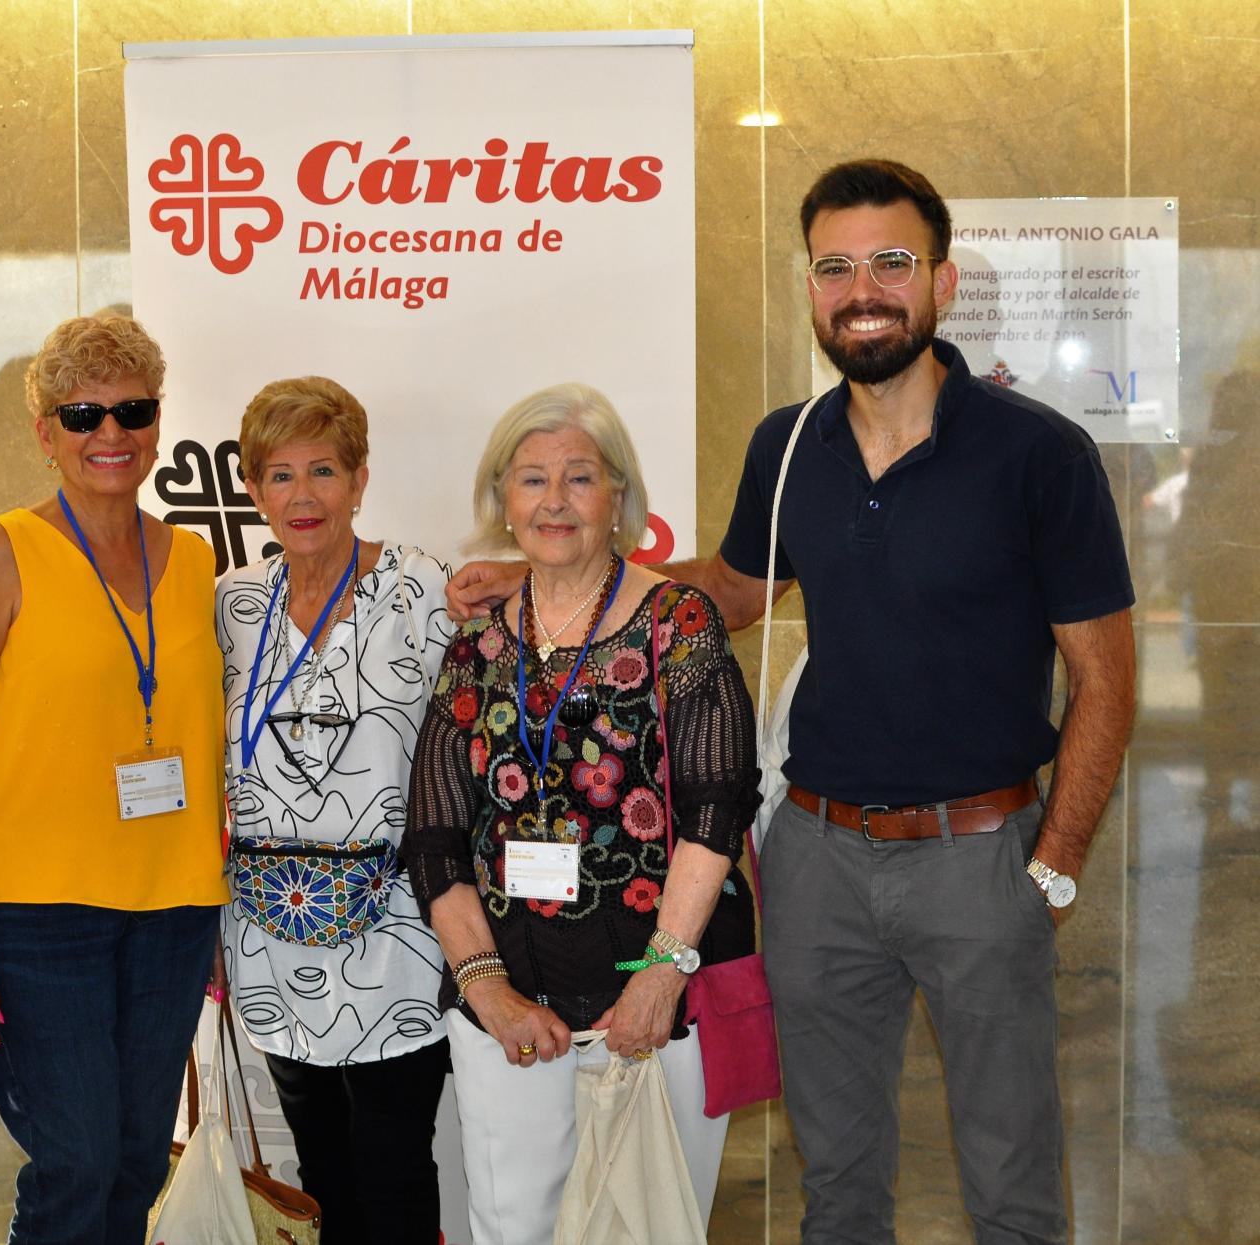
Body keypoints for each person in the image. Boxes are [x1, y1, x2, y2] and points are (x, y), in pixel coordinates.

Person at [446, 161, 1137, 1244]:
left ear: (942, 283)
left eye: (890, 263)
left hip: (979, 850)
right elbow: (728, 591)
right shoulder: (786, 444)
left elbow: (1105, 677)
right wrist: (563, 572)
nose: (862, 289)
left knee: (1008, 1175)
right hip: (814, 858)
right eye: (835, 267)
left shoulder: (1036, 454)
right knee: (835, 1175)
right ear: (810, 288)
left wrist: (1052, 862)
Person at [403, 382, 759, 1245]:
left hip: (656, 997)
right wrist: (485, 988)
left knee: (653, 1223)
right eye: (530, 479)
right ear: (503, 501)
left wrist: (661, 974)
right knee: (512, 1224)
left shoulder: (682, 625)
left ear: (620, 500)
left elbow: (717, 814)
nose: (554, 500)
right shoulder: (478, 641)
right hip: (509, 997)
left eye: (579, 478)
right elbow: (436, 835)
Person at [0, 314, 228, 1244]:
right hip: (37, 918)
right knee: (77, 1160)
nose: (110, 432)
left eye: (131, 409)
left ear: (157, 419)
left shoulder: (194, 562)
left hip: (173, 913)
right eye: (83, 412)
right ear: (44, 430)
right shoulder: (0, 553)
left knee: (138, 1158)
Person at [217, 376, 454, 1245]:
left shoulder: (423, 588)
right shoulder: (234, 603)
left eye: (324, 469)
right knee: (318, 1167)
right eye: (279, 475)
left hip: (396, 926)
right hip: (268, 932)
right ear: (252, 489)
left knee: (394, 1163)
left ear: (359, 479)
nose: (303, 495)